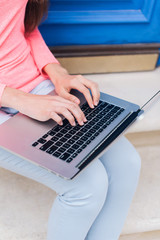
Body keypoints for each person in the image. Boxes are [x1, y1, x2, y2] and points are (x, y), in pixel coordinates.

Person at [0, 0, 141, 239]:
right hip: (13, 99)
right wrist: (21, 100)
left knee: (127, 163)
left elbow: (22, 27)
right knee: (87, 186)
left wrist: (57, 72)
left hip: (35, 85)